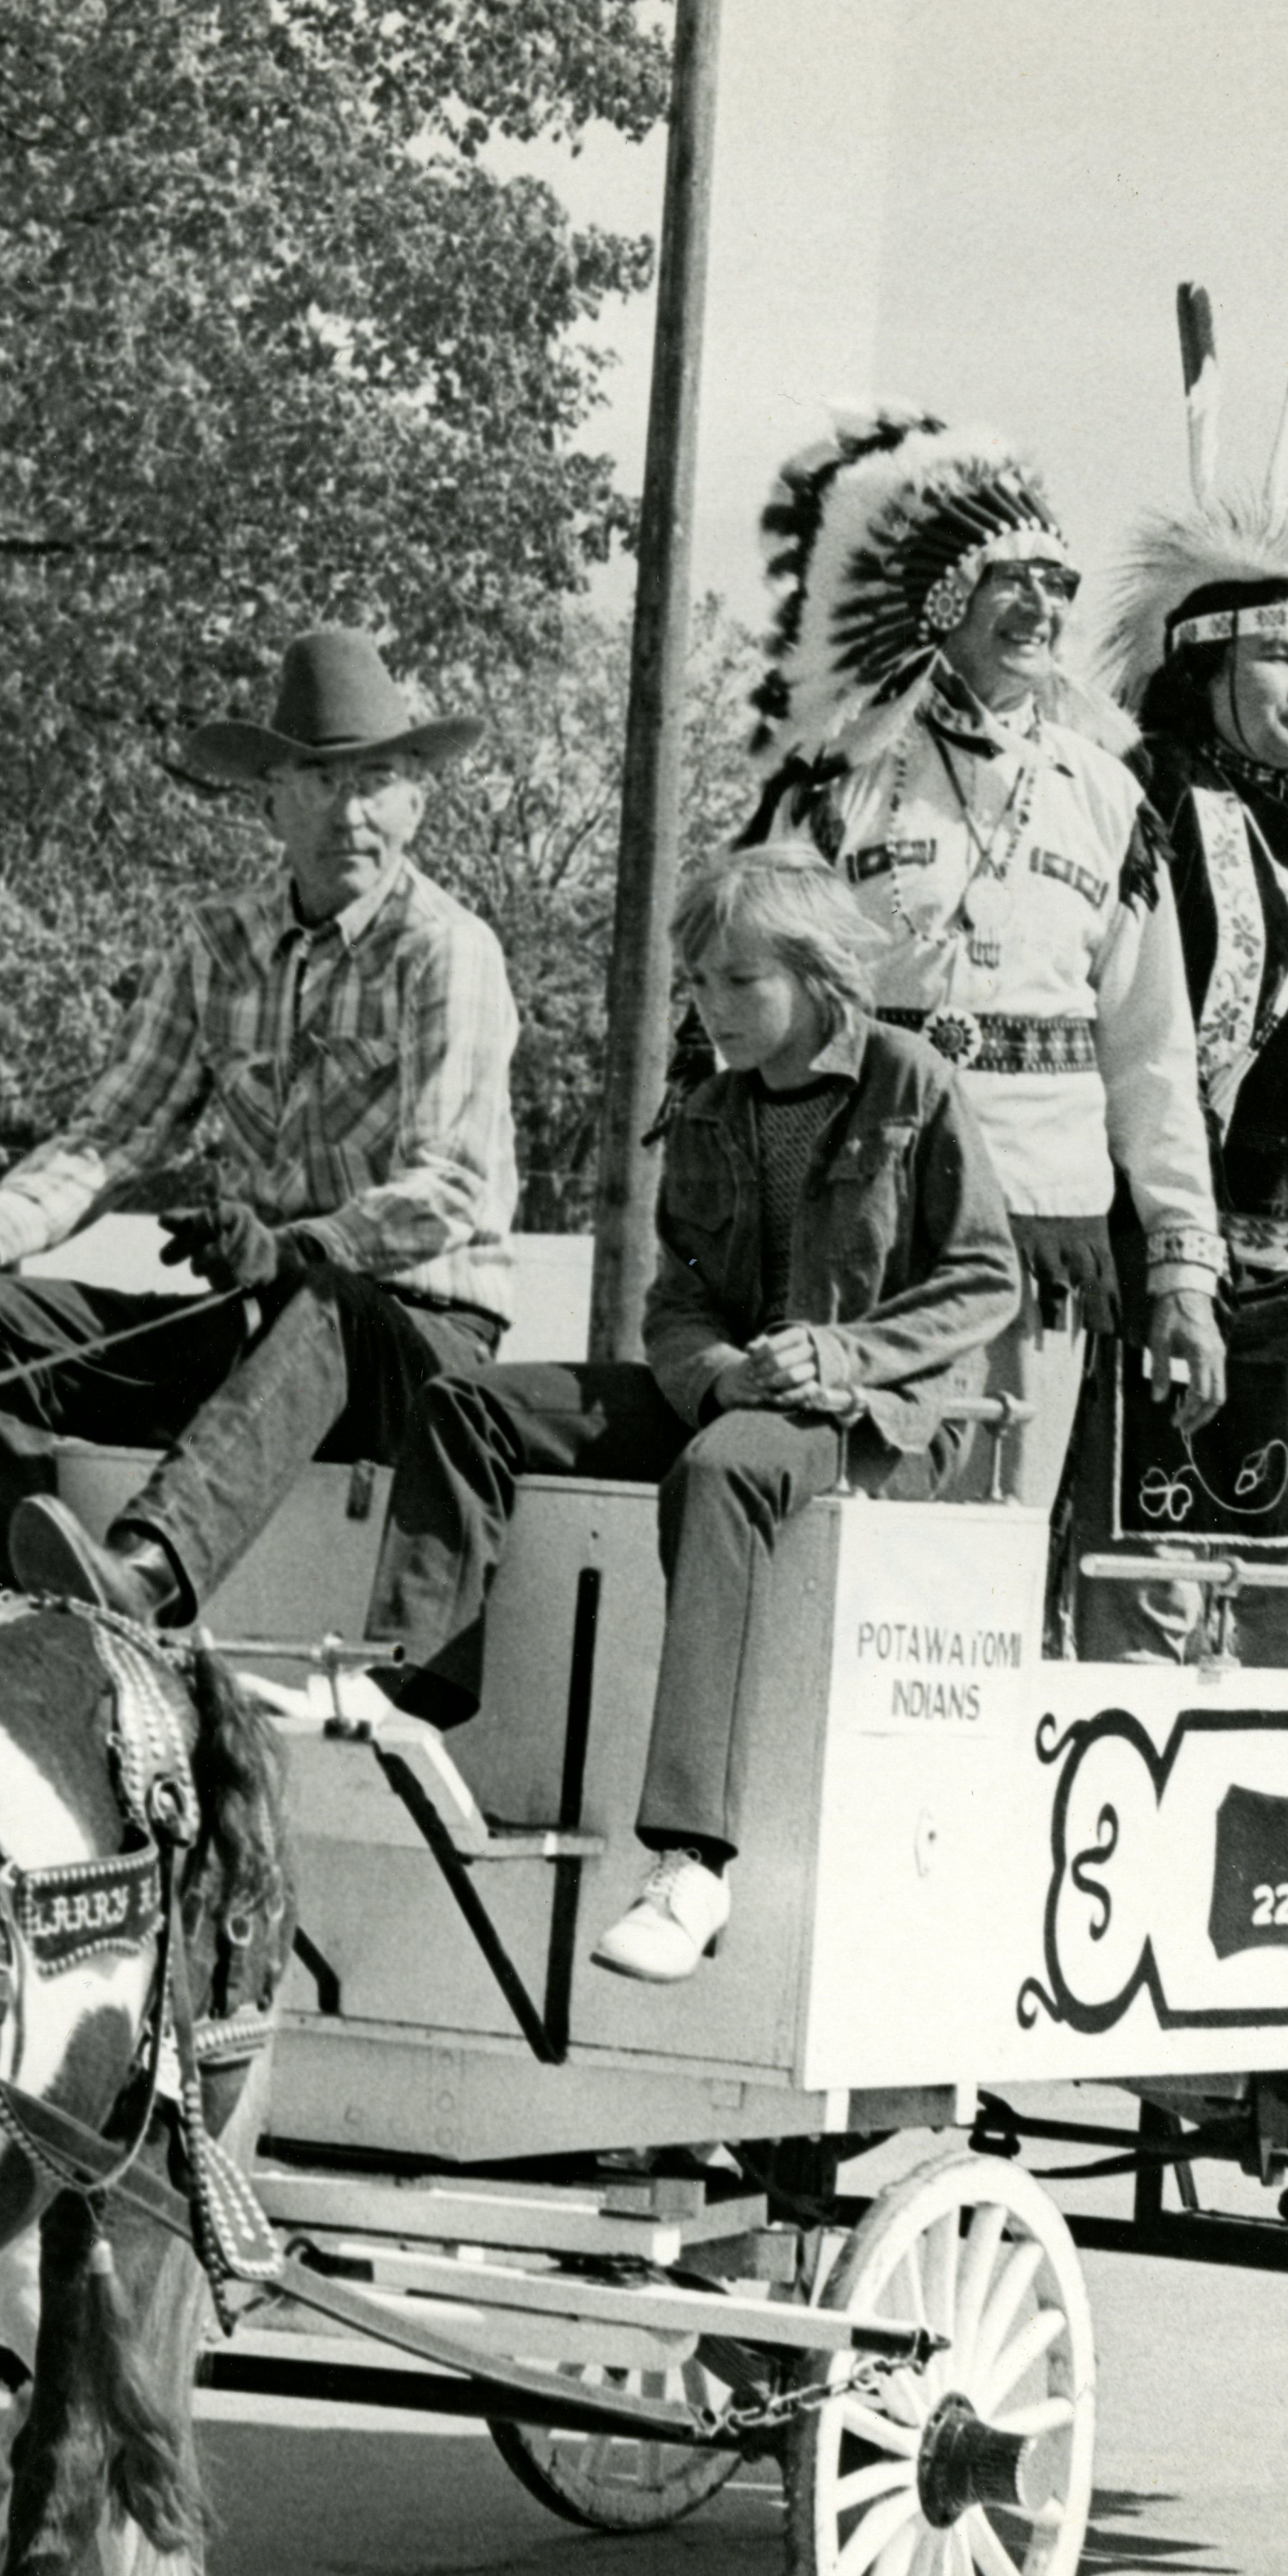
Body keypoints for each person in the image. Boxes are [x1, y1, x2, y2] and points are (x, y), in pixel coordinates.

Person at [356, 844, 1020, 1983]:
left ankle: (691, 1864)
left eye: (738, 982)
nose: (712, 1007)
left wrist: (846, 1355)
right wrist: (717, 1371)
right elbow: (677, 1303)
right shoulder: (710, 1111)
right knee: (469, 1403)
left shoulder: (914, 1085)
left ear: (819, 976)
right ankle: (406, 1695)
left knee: (717, 1472)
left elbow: (985, 1280)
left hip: (884, 1416)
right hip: (736, 1396)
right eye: (699, 983)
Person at [0, 624, 519, 1623]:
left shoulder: (449, 951)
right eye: (317, 780)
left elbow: (448, 1188)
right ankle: (13, 1605)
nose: (348, 813)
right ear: (268, 798)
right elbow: (115, 1134)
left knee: (331, 1306)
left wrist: (297, 1247)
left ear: (415, 799)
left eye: (375, 781)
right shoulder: (215, 941)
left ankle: (141, 1575)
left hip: (417, 1343)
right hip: (256, 1331)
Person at [743, 410, 1229, 1534]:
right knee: (860, 1528)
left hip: (1043, 1220)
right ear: (944, 601)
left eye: (1057, 583)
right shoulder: (844, 782)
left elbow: (1152, 1055)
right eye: (1009, 579)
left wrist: (1183, 1277)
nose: (1042, 607)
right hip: (871, 1212)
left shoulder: (1108, 795)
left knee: (1001, 1540)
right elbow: (755, 1009)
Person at [1082, 288, 1288, 1663]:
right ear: (1205, 663)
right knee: (1155, 1607)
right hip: (1186, 1278)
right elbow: (1133, 1054)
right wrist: (1166, 1267)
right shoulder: (1142, 799)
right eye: (1283, 652)